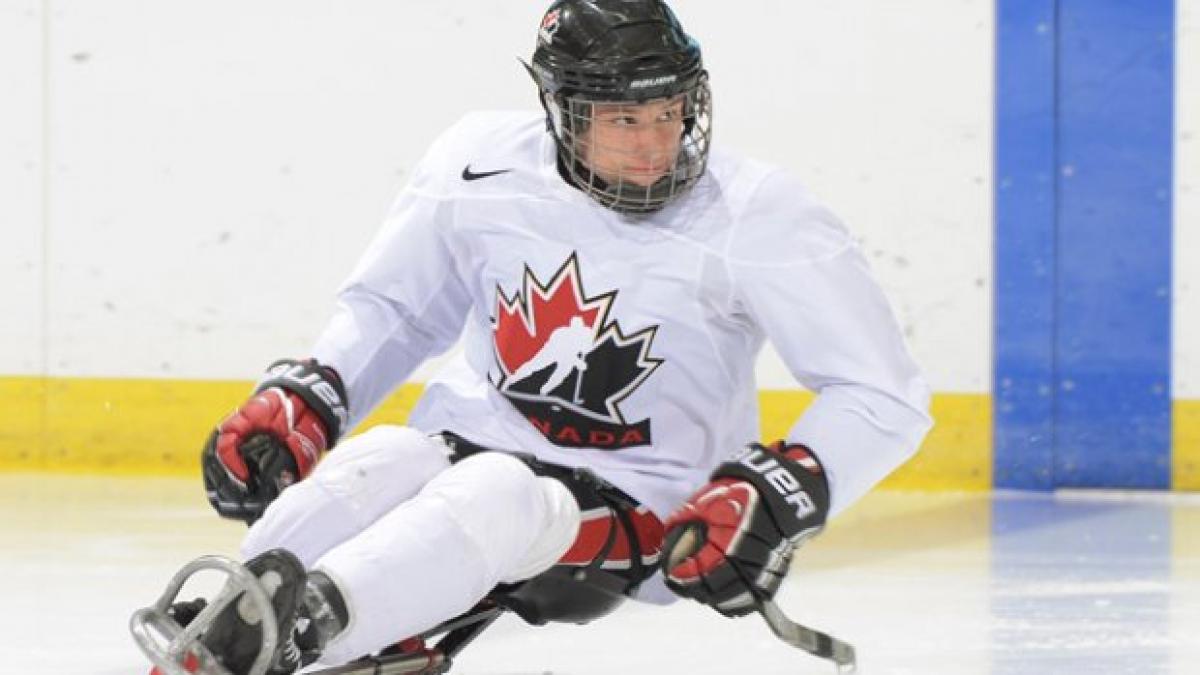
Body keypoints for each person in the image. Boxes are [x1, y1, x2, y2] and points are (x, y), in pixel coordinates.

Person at [182, 1, 933, 673]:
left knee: (496, 491)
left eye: (671, 112)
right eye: (625, 120)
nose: (656, 145)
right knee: (383, 458)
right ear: (564, 111)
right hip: (463, 444)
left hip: (635, 504)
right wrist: (313, 394)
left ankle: (300, 633)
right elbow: (401, 309)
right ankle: (234, 616)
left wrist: (782, 489)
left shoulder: (758, 212)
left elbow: (881, 392)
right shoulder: (479, 163)